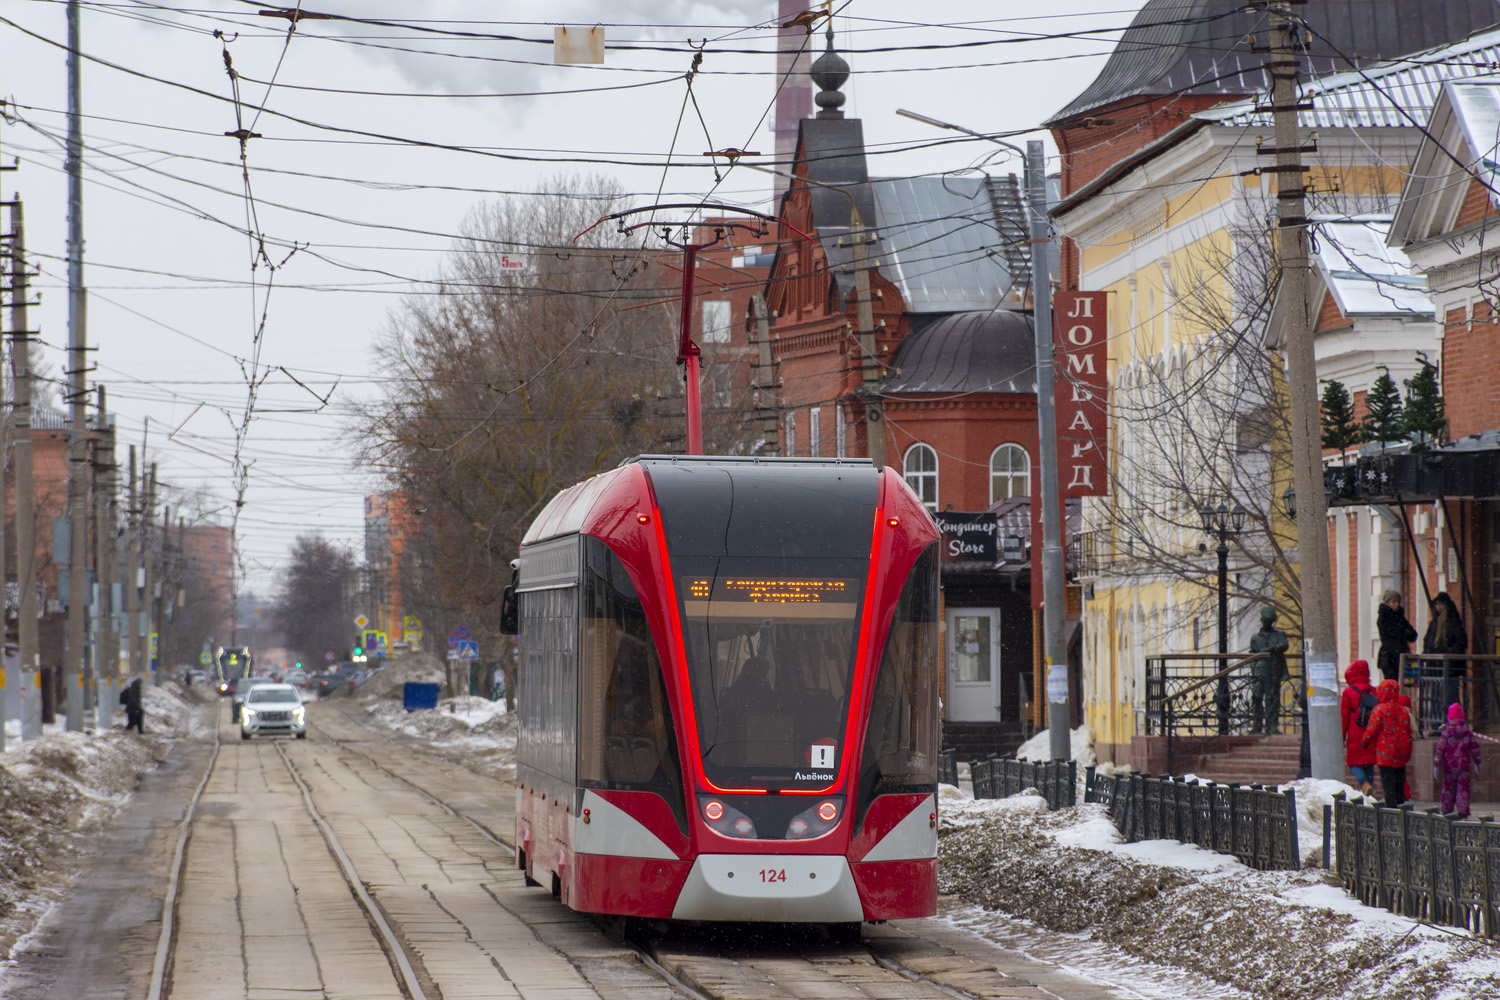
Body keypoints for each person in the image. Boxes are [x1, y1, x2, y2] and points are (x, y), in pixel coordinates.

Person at [1362, 679, 1413, 808]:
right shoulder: (1402, 710)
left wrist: (1364, 741)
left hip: (1386, 753)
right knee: (1399, 784)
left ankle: (1392, 813)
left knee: (1388, 785)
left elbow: (1372, 729)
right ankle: (1402, 812)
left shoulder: (1379, 709)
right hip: (1401, 752)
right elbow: (1408, 731)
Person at [1423, 592, 1468, 713]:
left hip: (1450, 667)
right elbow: (1428, 641)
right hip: (1436, 667)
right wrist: (1428, 655)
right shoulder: (1434, 623)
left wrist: (1447, 653)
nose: (1439, 608)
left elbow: (1460, 643)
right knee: (1436, 696)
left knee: (1450, 697)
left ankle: (1451, 723)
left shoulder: (1453, 621)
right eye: (1437, 605)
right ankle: (1439, 725)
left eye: (1441, 605)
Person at [1248, 606, 1290, 734]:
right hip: (1259, 672)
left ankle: (1272, 726)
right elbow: (1252, 654)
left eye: (1270, 621)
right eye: (1265, 621)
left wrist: (1272, 649)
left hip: (1273, 671)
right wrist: (1255, 668)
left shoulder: (1279, 634)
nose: (1267, 623)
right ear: (1262, 620)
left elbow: (1284, 645)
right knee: (1256, 698)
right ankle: (1257, 726)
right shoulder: (1255, 637)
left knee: (1272, 699)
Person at [1434, 702, 1481, 817]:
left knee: (1448, 788)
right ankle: (1462, 811)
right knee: (1463, 789)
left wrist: (1436, 764)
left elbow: (1440, 749)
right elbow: (1475, 749)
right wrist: (1477, 762)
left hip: (1449, 767)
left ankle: (1446, 810)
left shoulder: (1447, 733)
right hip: (1464, 767)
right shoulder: (1467, 733)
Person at [1340, 659, 1378, 795]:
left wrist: (1342, 736)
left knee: (1353, 763)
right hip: (1371, 731)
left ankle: (1364, 783)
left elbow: (1344, 717)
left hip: (1356, 732)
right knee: (1369, 763)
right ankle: (1369, 792)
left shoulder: (1348, 692)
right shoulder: (1374, 690)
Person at [1376, 589, 1417, 683]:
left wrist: (1403, 632)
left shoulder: (1400, 617)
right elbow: (1391, 634)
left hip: (1402, 655)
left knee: (1406, 683)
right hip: (1388, 656)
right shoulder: (1383, 617)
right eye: (1393, 601)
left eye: (1398, 601)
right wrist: (1403, 632)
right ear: (1387, 603)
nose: (1397, 604)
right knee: (1392, 683)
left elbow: (1413, 635)